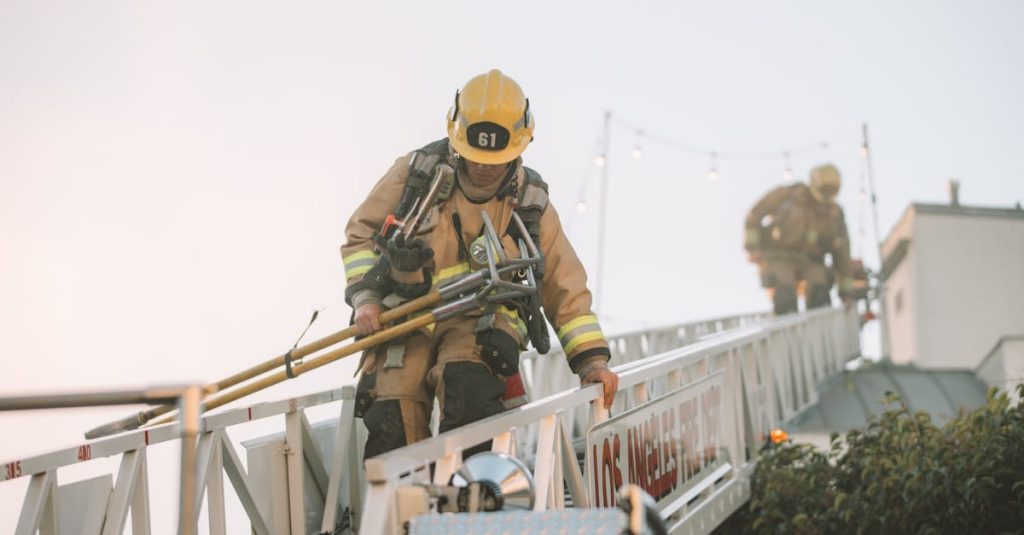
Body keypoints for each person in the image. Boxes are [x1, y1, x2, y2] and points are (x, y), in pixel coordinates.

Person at [341, 69, 619, 458]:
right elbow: (361, 236)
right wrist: (366, 299)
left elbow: (564, 285)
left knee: (467, 387)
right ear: (457, 137)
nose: (485, 168)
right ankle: (402, 514)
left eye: (497, 159)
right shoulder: (415, 175)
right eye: (475, 157)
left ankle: (471, 504)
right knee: (392, 411)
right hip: (405, 318)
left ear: (522, 145)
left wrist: (591, 361)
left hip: (481, 322)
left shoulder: (529, 203)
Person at [744, 163, 857, 315]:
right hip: (779, 256)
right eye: (825, 190)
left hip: (812, 260)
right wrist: (752, 247)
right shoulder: (788, 195)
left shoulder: (834, 214)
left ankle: (818, 322)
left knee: (819, 281)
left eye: (832, 191)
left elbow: (842, 253)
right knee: (784, 282)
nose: (827, 195)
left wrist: (846, 293)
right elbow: (755, 214)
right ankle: (784, 320)